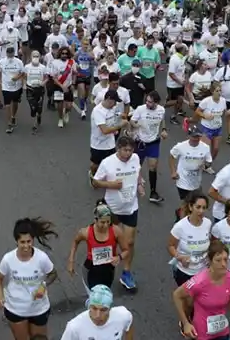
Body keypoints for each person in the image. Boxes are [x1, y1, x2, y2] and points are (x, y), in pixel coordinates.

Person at [92, 136, 143, 291]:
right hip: (112, 210)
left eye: (130, 150)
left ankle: (126, 272)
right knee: (109, 242)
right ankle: (104, 272)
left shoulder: (135, 158)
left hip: (130, 207)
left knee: (129, 243)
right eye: (125, 150)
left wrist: (140, 185)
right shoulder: (107, 163)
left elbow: (138, 173)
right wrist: (110, 184)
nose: (128, 153)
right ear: (117, 148)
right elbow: (95, 182)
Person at [0, 217, 58, 339]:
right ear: (16, 241)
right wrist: (0, 296)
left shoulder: (42, 258)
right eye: (22, 242)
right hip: (16, 309)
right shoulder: (8, 259)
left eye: (29, 241)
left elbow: (53, 274)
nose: (26, 246)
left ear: (33, 240)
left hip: (39, 308)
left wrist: (43, 286)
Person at [172, 239, 230, 340]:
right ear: (210, 261)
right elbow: (177, 295)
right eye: (218, 260)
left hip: (222, 332)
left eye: (225, 259)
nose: (223, 264)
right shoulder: (199, 282)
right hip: (202, 334)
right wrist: (185, 324)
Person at [67, 201, 129, 290]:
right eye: (102, 222)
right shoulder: (86, 232)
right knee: (93, 298)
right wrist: (71, 261)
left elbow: (126, 250)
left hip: (108, 270)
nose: (106, 225)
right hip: (90, 270)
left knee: (105, 297)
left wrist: (119, 257)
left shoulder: (116, 231)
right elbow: (75, 242)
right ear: (95, 220)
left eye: (108, 221)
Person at [168, 191, 213, 286]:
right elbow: (170, 246)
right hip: (184, 272)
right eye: (198, 207)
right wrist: (179, 257)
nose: (201, 211)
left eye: (204, 208)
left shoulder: (208, 223)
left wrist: (210, 257)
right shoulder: (180, 226)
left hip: (202, 271)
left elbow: (209, 242)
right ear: (190, 207)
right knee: (186, 299)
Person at [60, 285, 134, 340]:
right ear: (89, 306)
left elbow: (129, 326)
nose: (98, 315)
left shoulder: (123, 316)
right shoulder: (74, 327)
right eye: (94, 308)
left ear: (110, 308)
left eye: (103, 310)